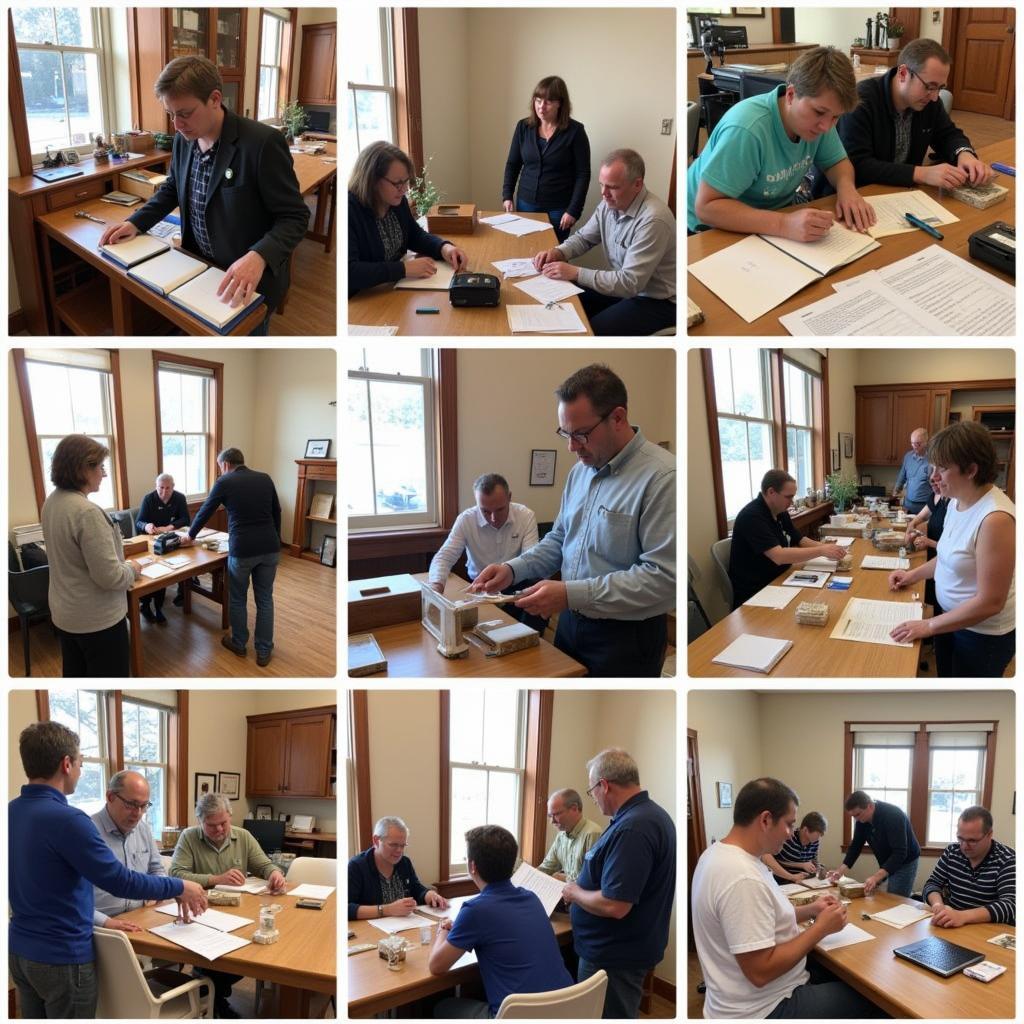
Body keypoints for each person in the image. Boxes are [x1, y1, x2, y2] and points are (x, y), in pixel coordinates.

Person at [470, 364, 675, 677]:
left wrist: (569, 593)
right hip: (569, 623)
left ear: (618, 418)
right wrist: (513, 569)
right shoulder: (580, 471)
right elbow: (559, 538)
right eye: (566, 433)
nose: (571, 446)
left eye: (581, 434)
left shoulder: (663, 477)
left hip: (627, 638)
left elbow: (663, 579)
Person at [98, 56, 309, 335]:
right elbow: (172, 189)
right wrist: (135, 223)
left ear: (215, 99)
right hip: (197, 268)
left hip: (246, 280)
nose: (177, 123)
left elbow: (295, 217)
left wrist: (258, 256)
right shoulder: (184, 141)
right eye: (171, 114)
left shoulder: (262, 144)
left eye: (184, 113)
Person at [9, 722, 206, 1019]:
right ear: (66, 764)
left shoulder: (10, 811)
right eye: (79, 763)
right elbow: (119, 881)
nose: (80, 770)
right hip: (63, 958)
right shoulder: (70, 821)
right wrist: (179, 886)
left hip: (20, 953)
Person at [691, 777, 883, 1019]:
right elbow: (760, 972)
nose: (791, 833)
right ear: (765, 820)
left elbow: (761, 919)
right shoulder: (741, 877)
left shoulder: (719, 856)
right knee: (874, 1000)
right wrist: (820, 929)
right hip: (764, 1008)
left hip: (751, 995)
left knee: (847, 974)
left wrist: (810, 909)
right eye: (789, 824)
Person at [688, 47, 877, 239]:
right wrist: (782, 224)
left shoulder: (820, 121)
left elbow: (837, 163)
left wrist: (847, 189)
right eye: (819, 112)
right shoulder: (747, 130)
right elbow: (707, 207)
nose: (827, 127)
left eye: (836, 117)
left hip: (772, 213)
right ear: (791, 95)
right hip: (709, 226)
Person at [888, 421, 1015, 677]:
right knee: (945, 678)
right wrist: (911, 576)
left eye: (942, 469)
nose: (933, 476)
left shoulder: (995, 519)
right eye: (932, 467)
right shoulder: (956, 501)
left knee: (966, 702)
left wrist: (929, 625)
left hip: (982, 634)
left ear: (971, 470)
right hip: (950, 619)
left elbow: (991, 602)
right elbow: (947, 557)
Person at [561, 749, 675, 1019]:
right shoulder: (645, 817)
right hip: (617, 951)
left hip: (613, 957)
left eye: (592, 792)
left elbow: (616, 905)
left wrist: (575, 892)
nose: (595, 800)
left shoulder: (634, 828)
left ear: (604, 785)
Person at [428, 825, 574, 1017]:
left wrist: (444, 931)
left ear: (472, 866)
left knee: (442, 1006)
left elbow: (436, 967)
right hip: (567, 1008)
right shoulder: (531, 897)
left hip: (521, 1016)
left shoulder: (475, 910)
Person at [533, 148, 675, 335]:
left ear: (637, 184)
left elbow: (629, 283)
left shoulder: (653, 220)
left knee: (595, 329)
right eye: (602, 185)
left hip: (660, 301)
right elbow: (584, 238)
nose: (604, 193)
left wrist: (575, 272)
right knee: (567, 299)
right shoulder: (609, 204)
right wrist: (558, 252)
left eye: (613, 187)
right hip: (628, 291)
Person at [170, 792, 286, 1017]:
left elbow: (264, 865)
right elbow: (175, 873)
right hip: (201, 913)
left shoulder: (243, 836)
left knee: (246, 955)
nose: (220, 830)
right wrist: (216, 879)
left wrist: (275, 874)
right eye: (211, 826)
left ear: (230, 816)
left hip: (240, 913)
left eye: (223, 823)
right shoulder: (189, 837)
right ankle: (216, 1000)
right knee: (220, 958)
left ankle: (211, 993)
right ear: (200, 822)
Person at [40, 435, 143, 677]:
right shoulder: (86, 513)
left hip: (66, 615)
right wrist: (132, 569)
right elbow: (109, 577)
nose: (104, 474)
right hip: (97, 621)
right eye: (101, 466)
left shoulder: (52, 502)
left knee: (75, 674)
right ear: (82, 468)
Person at [835, 38, 995, 192]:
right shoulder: (861, 100)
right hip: (859, 194)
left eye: (940, 88)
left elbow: (948, 134)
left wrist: (964, 154)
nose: (934, 96)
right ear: (903, 73)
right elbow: (857, 164)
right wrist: (921, 174)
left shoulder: (929, 101)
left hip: (903, 193)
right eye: (929, 86)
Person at [177, 447, 282, 667]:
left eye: (219, 467)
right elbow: (277, 511)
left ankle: (239, 643)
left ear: (225, 465)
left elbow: (206, 510)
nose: (220, 471)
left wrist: (190, 535)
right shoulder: (265, 478)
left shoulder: (225, 482)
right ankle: (263, 650)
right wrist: (275, 539)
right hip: (270, 547)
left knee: (238, 598)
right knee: (265, 600)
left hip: (242, 549)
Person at [428, 473, 546, 633]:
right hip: (479, 591)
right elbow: (444, 556)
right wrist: (436, 585)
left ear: (509, 497)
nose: (493, 518)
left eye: (499, 509)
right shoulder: (466, 519)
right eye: (485, 511)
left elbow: (531, 559)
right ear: (476, 502)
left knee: (530, 635)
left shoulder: (525, 516)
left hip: (517, 587)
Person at [348, 141, 468, 296]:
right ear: (372, 180)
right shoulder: (351, 209)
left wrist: (444, 248)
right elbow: (350, 272)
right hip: (364, 298)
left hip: (393, 289)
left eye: (406, 182)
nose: (404, 189)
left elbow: (414, 235)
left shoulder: (396, 200)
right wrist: (403, 269)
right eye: (397, 183)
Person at [728, 470, 847, 609]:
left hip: (782, 576)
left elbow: (799, 539)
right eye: (788, 497)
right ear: (771, 492)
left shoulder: (780, 511)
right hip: (757, 590)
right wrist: (821, 550)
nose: (792, 502)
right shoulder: (752, 517)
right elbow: (779, 556)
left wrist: (828, 548)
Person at [502, 75, 591, 244]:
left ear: (560, 103)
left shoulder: (575, 131)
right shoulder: (523, 127)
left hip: (559, 209)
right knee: (525, 250)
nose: (541, 107)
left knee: (553, 256)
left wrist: (573, 210)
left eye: (548, 101)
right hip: (526, 203)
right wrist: (507, 195)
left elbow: (583, 174)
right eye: (538, 100)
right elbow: (512, 164)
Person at [90, 770, 167, 931]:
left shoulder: (143, 829)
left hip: (140, 916)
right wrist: (105, 922)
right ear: (110, 797)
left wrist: (155, 892)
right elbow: (71, 897)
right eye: (131, 805)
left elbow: (156, 869)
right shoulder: (87, 831)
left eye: (144, 806)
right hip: (102, 926)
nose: (138, 813)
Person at [921, 806, 1015, 928]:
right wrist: (938, 905)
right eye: (960, 838)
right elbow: (932, 883)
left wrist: (962, 916)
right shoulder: (952, 852)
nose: (964, 846)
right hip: (953, 925)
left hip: (989, 929)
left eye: (972, 840)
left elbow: (1011, 905)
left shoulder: (1008, 859)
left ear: (989, 834)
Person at [348, 816, 448, 920]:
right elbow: (346, 908)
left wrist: (430, 895)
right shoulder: (357, 866)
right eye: (393, 845)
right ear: (376, 841)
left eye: (403, 845)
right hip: (368, 931)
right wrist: (387, 910)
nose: (399, 850)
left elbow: (416, 889)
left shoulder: (404, 862)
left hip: (403, 927)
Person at [828, 790, 920, 897]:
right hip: (888, 858)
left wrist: (876, 877)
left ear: (870, 806)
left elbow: (900, 853)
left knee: (896, 897)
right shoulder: (862, 821)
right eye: (853, 816)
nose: (856, 819)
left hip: (905, 860)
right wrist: (840, 871)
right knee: (879, 893)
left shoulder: (893, 815)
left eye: (857, 814)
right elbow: (855, 846)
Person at [136, 472, 190, 623]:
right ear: (156, 486)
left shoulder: (179, 498)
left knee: (169, 571)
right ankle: (146, 605)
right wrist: (146, 525)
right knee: (154, 572)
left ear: (173, 487)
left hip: (173, 539)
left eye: (168, 488)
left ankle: (161, 606)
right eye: (161, 488)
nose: (164, 492)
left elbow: (185, 519)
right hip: (152, 541)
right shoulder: (149, 499)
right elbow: (139, 522)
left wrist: (169, 527)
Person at [903, 464, 948, 616]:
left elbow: (952, 549)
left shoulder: (951, 502)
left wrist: (929, 542)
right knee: (930, 594)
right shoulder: (934, 496)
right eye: (931, 483)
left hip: (940, 555)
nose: (935, 486)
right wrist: (912, 526)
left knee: (938, 599)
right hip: (934, 555)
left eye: (937, 483)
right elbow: (921, 517)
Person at [537, 788, 603, 881]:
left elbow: (593, 880)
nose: (552, 821)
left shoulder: (593, 834)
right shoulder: (561, 836)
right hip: (567, 892)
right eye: (550, 816)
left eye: (556, 814)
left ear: (574, 808)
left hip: (582, 895)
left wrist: (564, 878)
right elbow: (546, 867)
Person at [762, 811, 827, 885]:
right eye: (818, 834)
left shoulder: (815, 842)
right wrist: (801, 865)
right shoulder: (789, 838)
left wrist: (819, 869)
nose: (819, 837)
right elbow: (776, 860)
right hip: (783, 882)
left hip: (802, 882)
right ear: (806, 830)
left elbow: (815, 861)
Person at [894, 428, 932, 515]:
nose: (914, 446)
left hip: (925, 506)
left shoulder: (933, 460)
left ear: (926, 442)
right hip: (908, 504)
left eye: (918, 444)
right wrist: (896, 489)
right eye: (912, 443)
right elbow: (902, 475)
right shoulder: (908, 456)